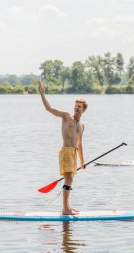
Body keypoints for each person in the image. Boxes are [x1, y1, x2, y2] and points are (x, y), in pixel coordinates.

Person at [38, 81, 87, 215]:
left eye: (79, 107)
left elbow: (79, 144)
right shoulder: (66, 116)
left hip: (73, 153)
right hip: (65, 151)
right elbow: (49, 109)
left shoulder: (82, 126)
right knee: (69, 179)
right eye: (76, 105)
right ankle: (65, 209)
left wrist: (82, 162)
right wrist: (42, 93)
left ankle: (67, 207)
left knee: (70, 179)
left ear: (84, 110)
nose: (76, 108)